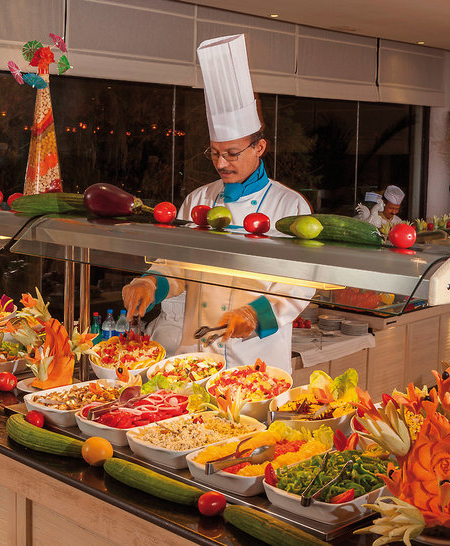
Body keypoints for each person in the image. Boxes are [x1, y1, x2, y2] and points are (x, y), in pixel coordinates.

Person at [121, 34, 314, 372]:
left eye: (232, 153)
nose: (222, 163)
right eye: (214, 153)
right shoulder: (199, 199)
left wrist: (253, 315)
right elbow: (178, 266)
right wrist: (151, 282)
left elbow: (300, 285)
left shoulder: (290, 206)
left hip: (255, 361)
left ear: (259, 147)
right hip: (197, 357)